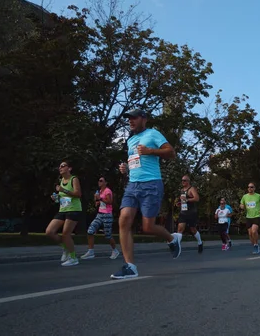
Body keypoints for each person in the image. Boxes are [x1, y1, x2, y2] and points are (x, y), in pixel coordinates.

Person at [111, 108, 181, 280]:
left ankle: (172, 239)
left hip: (151, 184)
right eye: (129, 119)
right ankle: (130, 267)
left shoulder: (153, 134)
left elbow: (171, 153)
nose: (131, 121)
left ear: (144, 119)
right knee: (124, 220)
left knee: (148, 227)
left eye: (134, 118)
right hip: (132, 185)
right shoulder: (131, 140)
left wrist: (151, 151)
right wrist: (126, 169)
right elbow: (136, 162)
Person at [46, 160, 82, 267]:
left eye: (63, 166)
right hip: (63, 209)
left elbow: (78, 194)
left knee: (66, 234)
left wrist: (63, 190)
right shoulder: (61, 180)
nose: (60, 168)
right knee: (49, 231)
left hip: (74, 209)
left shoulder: (73, 179)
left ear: (69, 168)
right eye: (59, 166)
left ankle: (73, 257)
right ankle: (65, 247)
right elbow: (62, 198)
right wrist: (56, 198)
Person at [81, 176, 120, 260]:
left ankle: (115, 251)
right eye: (99, 181)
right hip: (100, 214)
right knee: (90, 231)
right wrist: (97, 201)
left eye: (101, 181)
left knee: (107, 235)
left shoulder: (107, 191)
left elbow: (110, 202)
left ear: (105, 183)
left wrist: (100, 198)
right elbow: (99, 203)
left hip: (107, 215)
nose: (99, 182)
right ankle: (90, 252)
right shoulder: (99, 191)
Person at [176, 175, 204, 253]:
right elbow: (183, 201)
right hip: (183, 212)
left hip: (191, 212)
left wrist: (187, 199)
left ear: (188, 181)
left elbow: (197, 198)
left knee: (193, 229)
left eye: (184, 180)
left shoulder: (191, 189)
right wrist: (179, 203)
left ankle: (200, 243)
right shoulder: (182, 190)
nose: (183, 182)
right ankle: (177, 246)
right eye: (182, 180)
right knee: (180, 229)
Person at [240, 182, 260, 255]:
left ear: (254, 188)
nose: (250, 188)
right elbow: (242, 203)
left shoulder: (258, 196)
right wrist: (241, 206)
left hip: (257, 216)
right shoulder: (245, 196)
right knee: (250, 234)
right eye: (248, 187)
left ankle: (256, 245)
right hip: (249, 217)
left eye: (251, 187)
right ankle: (254, 244)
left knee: (254, 231)